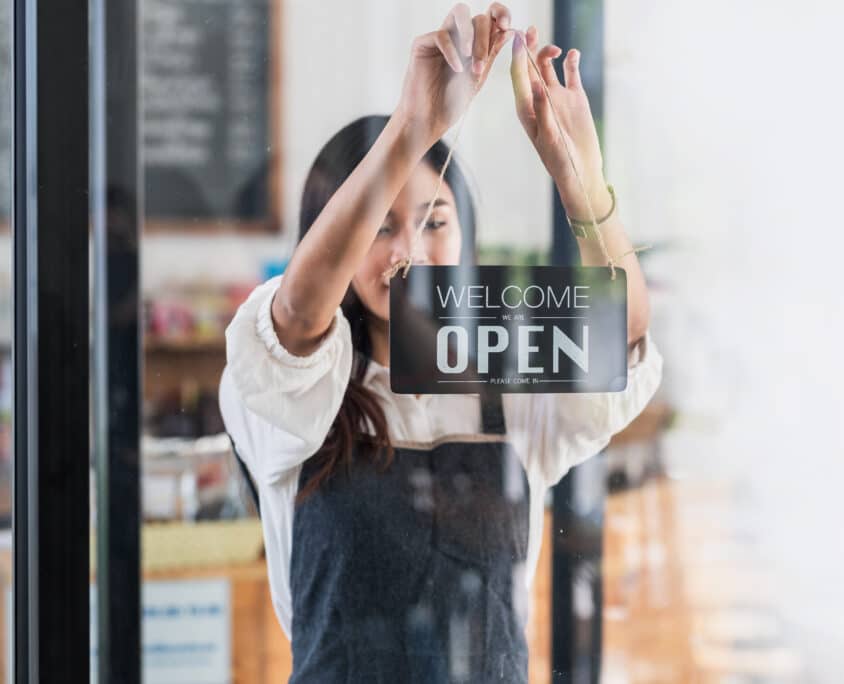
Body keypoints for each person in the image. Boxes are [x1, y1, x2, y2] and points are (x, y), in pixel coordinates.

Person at [218, 4, 663, 682]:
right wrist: (412, 128)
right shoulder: (293, 384)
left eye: (434, 221)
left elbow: (622, 338)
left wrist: (580, 181)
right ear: (328, 240)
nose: (409, 253)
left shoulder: (511, 380)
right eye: (379, 226)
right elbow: (298, 324)